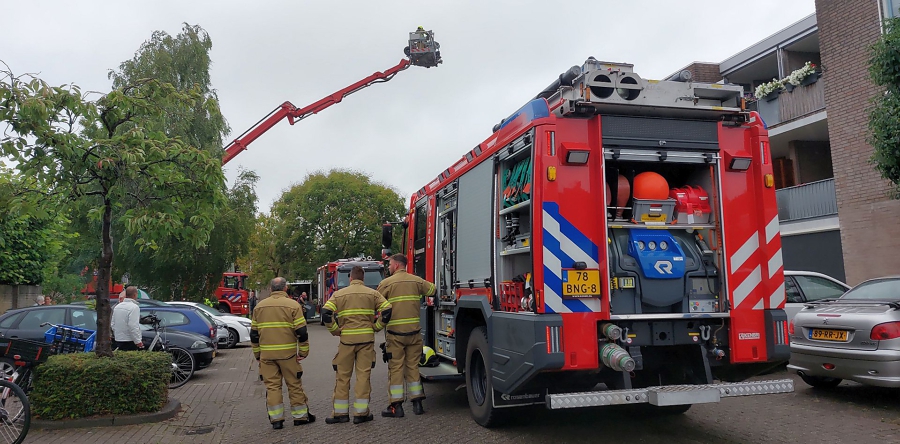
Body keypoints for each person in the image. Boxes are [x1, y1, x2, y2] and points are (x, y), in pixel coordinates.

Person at [322, 266, 391, 425]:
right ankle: (361, 414)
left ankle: (340, 414)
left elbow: (326, 312)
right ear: (363, 278)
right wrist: (377, 327)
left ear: (350, 278)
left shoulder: (339, 294)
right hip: (366, 340)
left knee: (342, 376)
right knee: (363, 376)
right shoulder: (372, 293)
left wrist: (335, 331)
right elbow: (387, 310)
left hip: (346, 341)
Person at [251, 277, 314, 430]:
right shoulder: (293, 305)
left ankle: (277, 420)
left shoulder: (259, 307)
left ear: (271, 289)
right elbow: (302, 332)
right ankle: (300, 417)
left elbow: (254, 335)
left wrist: (258, 355)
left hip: (267, 356)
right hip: (288, 355)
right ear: (285, 289)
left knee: (272, 387)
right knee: (294, 385)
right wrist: (304, 351)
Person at [376, 254, 435, 417]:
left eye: (389, 264)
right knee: (413, 366)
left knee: (396, 368)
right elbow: (433, 290)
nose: (388, 267)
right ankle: (417, 404)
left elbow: (376, 302)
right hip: (414, 334)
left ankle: (396, 407)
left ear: (396, 265)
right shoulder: (416, 281)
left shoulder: (386, 283)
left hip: (395, 335)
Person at [111, 286, 144, 351]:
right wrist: (138, 341)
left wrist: (117, 334)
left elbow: (113, 324)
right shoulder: (134, 307)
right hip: (130, 340)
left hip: (118, 339)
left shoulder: (117, 306)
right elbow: (133, 326)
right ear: (135, 295)